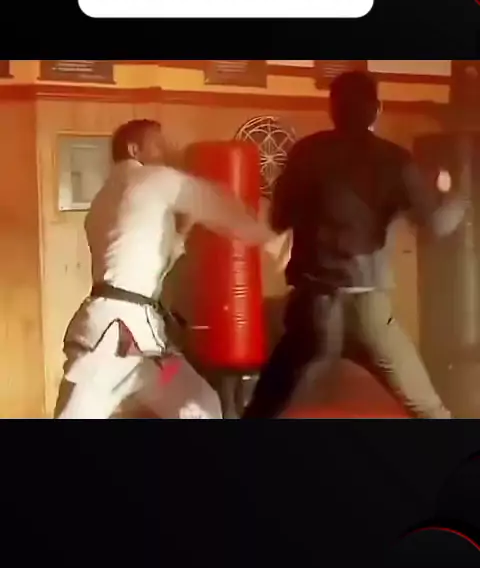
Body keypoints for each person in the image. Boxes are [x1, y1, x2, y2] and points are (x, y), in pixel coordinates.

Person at [242, 71, 468, 419]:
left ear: (332, 109)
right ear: (377, 109)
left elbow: (279, 219)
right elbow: (437, 225)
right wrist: (454, 194)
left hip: (313, 307)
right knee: (429, 409)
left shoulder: (306, 153)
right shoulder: (394, 160)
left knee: (263, 409)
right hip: (368, 307)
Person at [54, 119, 278, 419]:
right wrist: (276, 231)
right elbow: (221, 208)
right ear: (134, 149)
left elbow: (142, 251)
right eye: (158, 145)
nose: (167, 152)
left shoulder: (106, 196)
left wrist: (182, 230)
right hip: (114, 337)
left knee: (199, 402)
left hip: (146, 346)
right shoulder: (152, 179)